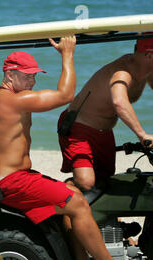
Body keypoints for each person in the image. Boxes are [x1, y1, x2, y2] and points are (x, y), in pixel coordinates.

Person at [0, 36, 144, 260]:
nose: (33, 81)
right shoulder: (17, 101)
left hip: (2, 179)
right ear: (9, 74)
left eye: (35, 75)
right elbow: (66, 95)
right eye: (27, 75)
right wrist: (67, 53)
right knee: (77, 202)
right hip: (14, 181)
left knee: (68, 195)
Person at [58, 37, 153, 192]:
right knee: (86, 182)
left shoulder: (147, 69)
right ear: (149, 56)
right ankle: (57, 198)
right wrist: (142, 135)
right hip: (79, 128)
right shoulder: (123, 73)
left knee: (105, 181)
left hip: (104, 132)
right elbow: (119, 102)